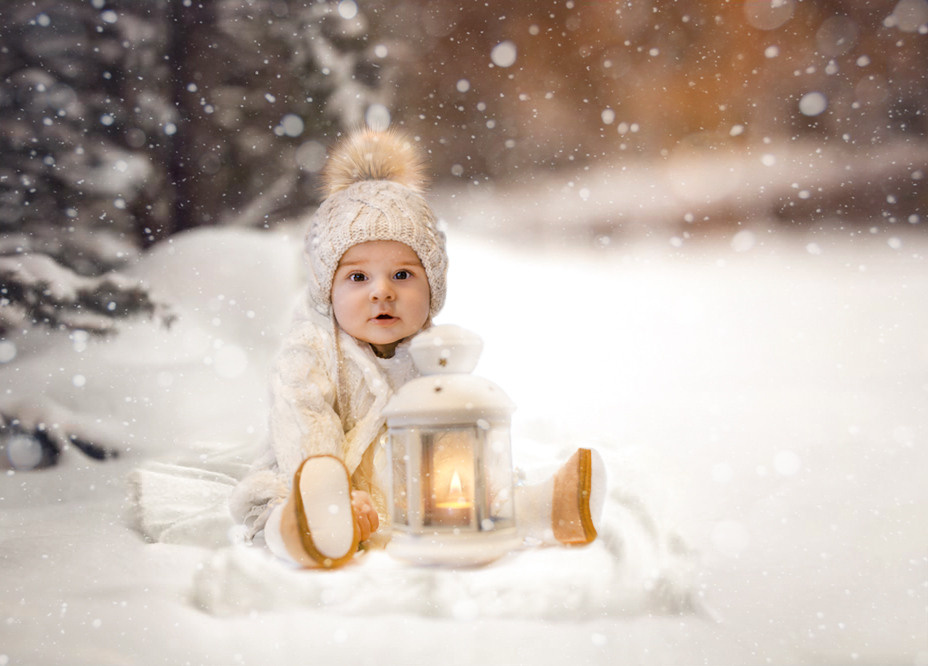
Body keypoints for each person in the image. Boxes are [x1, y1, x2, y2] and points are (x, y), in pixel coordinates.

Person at [229, 127, 605, 569]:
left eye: (403, 276)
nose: (382, 292)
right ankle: (304, 528)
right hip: (319, 474)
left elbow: (458, 437)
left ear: (434, 287)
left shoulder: (432, 349)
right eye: (357, 277)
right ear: (325, 289)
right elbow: (303, 419)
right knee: (276, 502)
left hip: (409, 485)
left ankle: (543, 509)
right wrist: (330, 484)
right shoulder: (310, 349)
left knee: (467, 498)